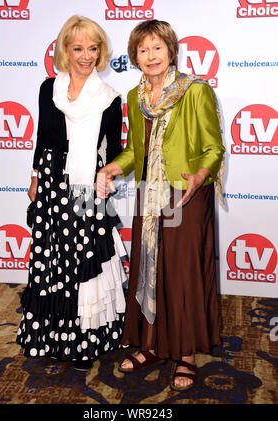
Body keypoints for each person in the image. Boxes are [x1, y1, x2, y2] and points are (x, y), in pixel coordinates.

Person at [96, 19, 225, 390]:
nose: (151, 55)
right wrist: (112, 167)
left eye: (157, 47)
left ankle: (185, 353)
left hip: (185, 193)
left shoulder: (194, 91)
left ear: (171, 51)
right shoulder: (137, 100)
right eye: (143, 49)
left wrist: (201, 176)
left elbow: (213, 147)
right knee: (149, 268)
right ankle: (151, 344)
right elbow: (136, 150)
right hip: (149, 195)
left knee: (182, 274)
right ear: (135, 56)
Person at [16, 15, 127, 371]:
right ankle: (48, 336)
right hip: (50, 183)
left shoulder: (109, 98)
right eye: (78, 48)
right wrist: (34, 176)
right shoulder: (47, 88)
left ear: (101, 51)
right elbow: (43, 139)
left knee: (83, 262)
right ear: (65, 49)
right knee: (50, 259)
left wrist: (105, 185)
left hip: (86, 186)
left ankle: (84, 340)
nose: (86, 55)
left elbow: (113, 151)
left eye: (93, 48)